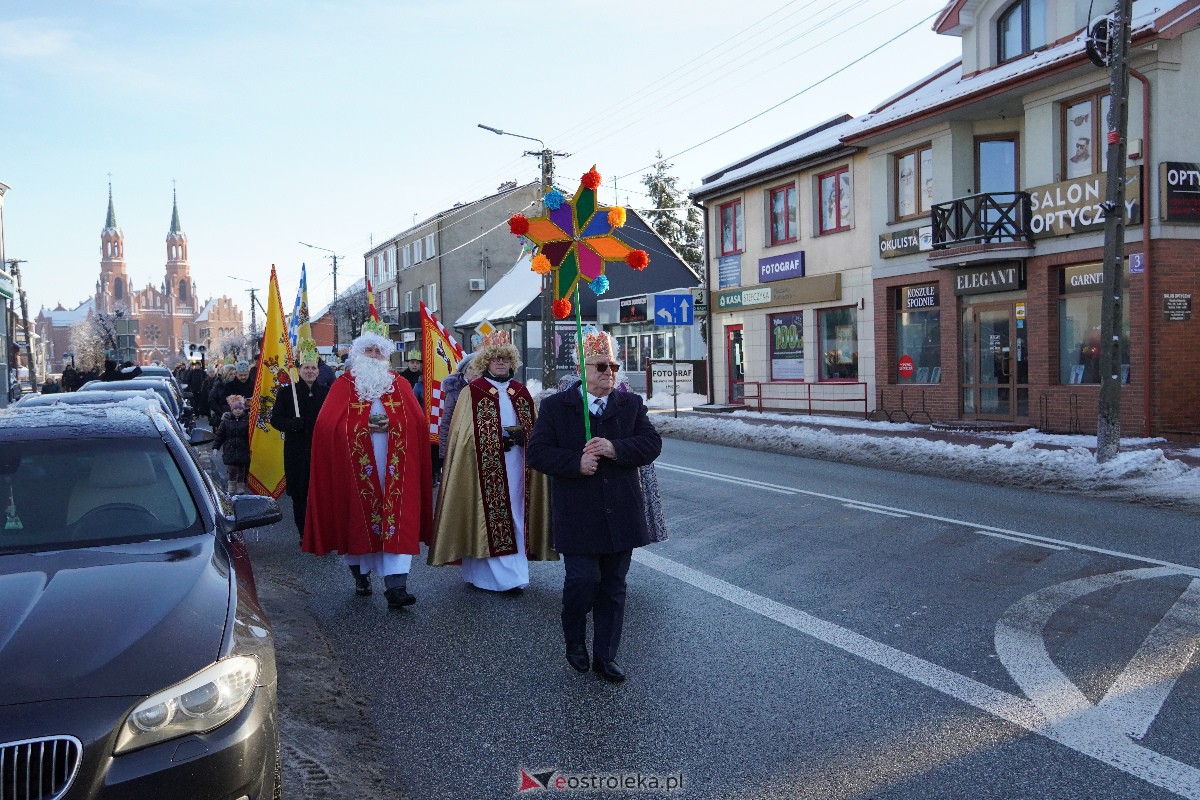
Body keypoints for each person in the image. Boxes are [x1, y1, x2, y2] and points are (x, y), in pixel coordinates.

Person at [526, 330, 662, 683]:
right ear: (582, 368)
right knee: (583, 580)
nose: (609, 372)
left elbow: (651, 444)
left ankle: (606, 655)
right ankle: (574, 639)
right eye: (601, 366)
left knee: (613, 586)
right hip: (578, 514)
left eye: (613, 366)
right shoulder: (557, 406)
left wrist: (616, 449)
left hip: (621, 513)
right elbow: (537, 453)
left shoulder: (630, 405)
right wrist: (576, 463)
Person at [302, 320, 433, 609]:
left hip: (395, 469)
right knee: (356, 521)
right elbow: (326, 427)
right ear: (358, 354)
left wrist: (394, 425)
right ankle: (360, 576)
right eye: (368, 350)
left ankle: (397, 587)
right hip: (355, 471)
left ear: (386, 356)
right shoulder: (343, 386)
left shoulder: (400, 384)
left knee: (397, 520)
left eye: (378, 351)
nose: (373, 356)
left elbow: (417, 423)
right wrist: (362, 427)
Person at [428, 342, 554, 592]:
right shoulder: (472, 391)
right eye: (495, 358)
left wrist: (524, 437)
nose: (500, 362)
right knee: (484, 515)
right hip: (480, 468)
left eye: (505, 358)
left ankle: (513, 575)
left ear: (512, 362)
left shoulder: (521, 392)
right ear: (486, 362)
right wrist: (493, 441)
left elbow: (535, 429)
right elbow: (462, 437)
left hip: (518, 465)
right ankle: (485, 575)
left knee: (516, 513)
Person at [269, 339, 329, 537]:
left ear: (318, 371)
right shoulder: (287, 393)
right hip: (296, 451)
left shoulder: (326, 393)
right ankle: (304, 532)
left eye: (313, 368)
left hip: (320, 452)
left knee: (320, 493)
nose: (309, 371)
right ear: (299, 370)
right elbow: (275, 419)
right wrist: (291, 424)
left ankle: (320, 531)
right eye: (306, 368)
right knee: (300, 494)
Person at [213, 394, 251, 494]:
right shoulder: (226, 421)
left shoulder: (247, 421)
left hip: (243, 448)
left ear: (243, 410)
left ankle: (240, 486)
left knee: (242, 469)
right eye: (236, 409)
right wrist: (216, 447)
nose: (238, 411)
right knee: (232, 469)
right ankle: (231, 485)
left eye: (240, 409)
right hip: (230, 449)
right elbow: (220, 435)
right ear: (232, 410)